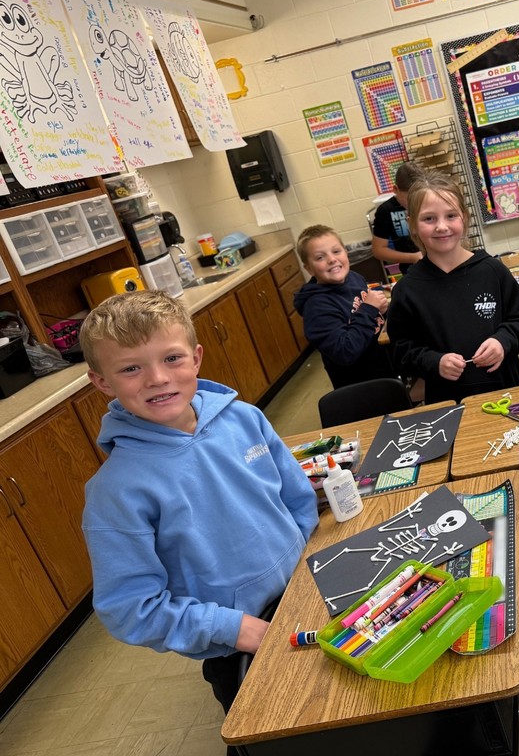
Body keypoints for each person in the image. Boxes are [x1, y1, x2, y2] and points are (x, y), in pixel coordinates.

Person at [79, 291, 318, 752]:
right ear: (101, 381)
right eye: (131, 368)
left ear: (196, 357)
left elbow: (296, 497)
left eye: (171, 358)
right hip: (241, 645)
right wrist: (235, 629)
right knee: (286, 737)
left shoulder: (244, 419)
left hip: (308, 592)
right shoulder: (116, 493)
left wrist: (310, 561)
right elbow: (129, 607)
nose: (157, 378)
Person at [388, 171, 519, 403]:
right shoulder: (407, 290)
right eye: (429, 219)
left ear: (464, 218)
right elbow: (401, 352)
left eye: (450, 216)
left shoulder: (492, 271)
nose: (441, 226)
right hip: (448, 401)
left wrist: (502, 341)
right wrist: (434, 362)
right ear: (412, 225)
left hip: (505, 393)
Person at [293, 224, 395, 390]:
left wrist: (382, 309)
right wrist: (369, 309)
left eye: (336, 251)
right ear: (309, 269)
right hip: (364, 387)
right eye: (320, 257)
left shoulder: (354, 278)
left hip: (386, 366)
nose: (332, 259)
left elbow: (372, 319)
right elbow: (345, 352)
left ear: (346, 252)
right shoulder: (317, 308)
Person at [372, 161, 425, 274]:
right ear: (396, 190)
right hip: (411, 270)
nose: (414, 203)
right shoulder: (386, 210)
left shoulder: (430, 202)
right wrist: (412, 257)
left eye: (419, 197)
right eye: (409, 199)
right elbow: (378, 250)